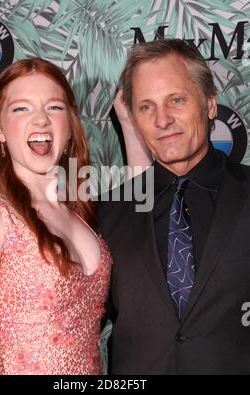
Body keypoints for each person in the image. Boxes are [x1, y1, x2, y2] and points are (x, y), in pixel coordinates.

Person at [97, 38, 250, 375]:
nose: (162, 120)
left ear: (210, 104)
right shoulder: (108, 212)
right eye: (146, 107)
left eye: (176, 100)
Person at [0, 58, 112, 375]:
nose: (40, 121)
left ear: (70, 127)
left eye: (54, 107)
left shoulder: (79, 215)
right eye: (21, 109)